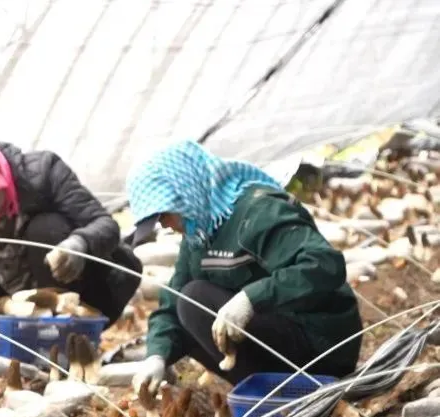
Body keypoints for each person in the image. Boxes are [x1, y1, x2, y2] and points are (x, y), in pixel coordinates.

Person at [118, 140, 362, 394]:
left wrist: (251, 299)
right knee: (185, 308)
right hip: (279, 338)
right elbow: (173, 300)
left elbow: (323, 266)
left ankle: (286, 394)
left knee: (195, 299)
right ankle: (270, 393)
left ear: (185, 192)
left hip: (320, 343)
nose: (165, 225)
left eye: (164, 214)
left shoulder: (260, 211)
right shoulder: (200, 234)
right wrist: (156, 356)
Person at [0, 135, 142, 325]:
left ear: (0, 178)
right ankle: (5, 327)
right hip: (5, 293)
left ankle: (63, 326)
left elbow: (105, 225)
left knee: (46, 228)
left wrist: (79, 244)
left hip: (69, 284)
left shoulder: (44, 173)